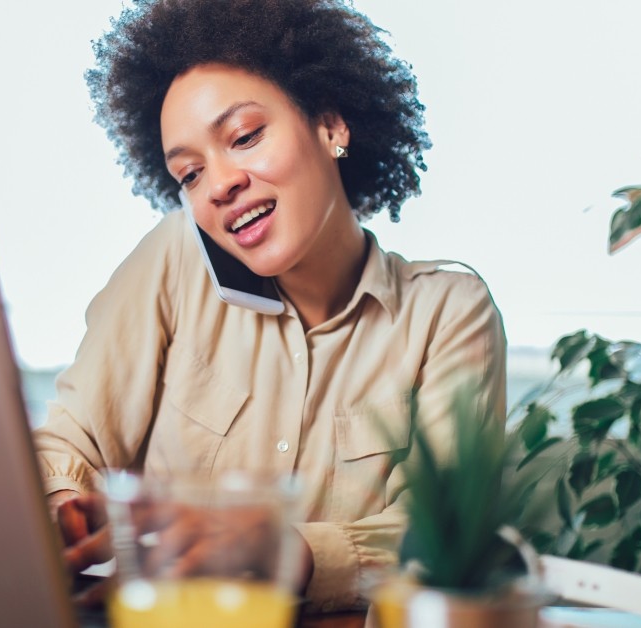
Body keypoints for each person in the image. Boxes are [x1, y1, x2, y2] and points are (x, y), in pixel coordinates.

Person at [34, 0, 506, 612]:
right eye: (190, 174)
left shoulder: (447, 313)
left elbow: (440, 541)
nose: (221, 184)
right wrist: (59, 517)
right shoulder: (177, 258)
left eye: (245, 137)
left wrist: (277, 550)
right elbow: (71, 442)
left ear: (331, 125)